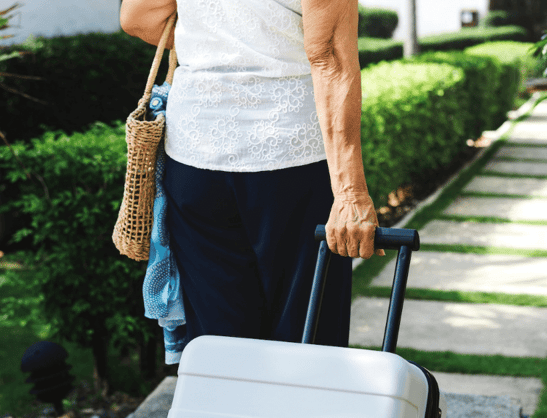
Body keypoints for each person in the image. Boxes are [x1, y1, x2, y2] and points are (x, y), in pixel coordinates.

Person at [119, 0, 384, 361]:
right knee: (307, 347)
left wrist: (219, 44)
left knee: (222, 349)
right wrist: (351, 194)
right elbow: (330, 57)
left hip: (196, 157)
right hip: (291, 160)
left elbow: (138, 17)